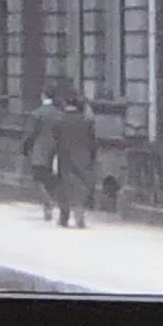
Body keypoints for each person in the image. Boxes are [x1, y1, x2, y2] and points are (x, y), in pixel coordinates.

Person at [53, 87, 99, 229]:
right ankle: (79, 212)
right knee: (81, 185)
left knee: (64, 185)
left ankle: (64, 216)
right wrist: (92, 156)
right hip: (83, 157)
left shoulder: (59, 120)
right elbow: (93, 141)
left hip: (64, 156)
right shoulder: (86, 121)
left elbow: (54, 139)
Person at [21, 90, 61, 221]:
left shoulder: (36, 114)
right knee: (50, 181)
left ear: (43, 96)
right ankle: (47, 209)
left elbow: (30, 134)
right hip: (55, 152)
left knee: (38, 180)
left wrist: (25, 148)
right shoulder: (59, 114)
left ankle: (47, 202)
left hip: (39, 151)